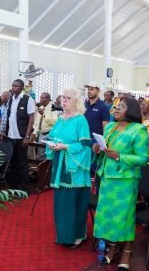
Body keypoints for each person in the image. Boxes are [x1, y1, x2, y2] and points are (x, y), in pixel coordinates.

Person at [92, 97, 149, 271]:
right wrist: (98, 150)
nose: (116, 110)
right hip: (107, 178)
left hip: (125, 181)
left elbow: (143, 158)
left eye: (121, 107)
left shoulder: (138, 130)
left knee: (123, 219)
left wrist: (119, 156)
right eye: (116, 107)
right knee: (108, 217)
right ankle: (113, 248)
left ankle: (127, 252)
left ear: (130, 111)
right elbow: (105, 151)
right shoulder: (110, 127)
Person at [45, 87, 91, 248]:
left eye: (68, 98)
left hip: (74, 169)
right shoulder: (60, 119)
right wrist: (51, 144)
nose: (64, 101)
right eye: (63, 97)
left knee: (72, 202)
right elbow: (51, 136)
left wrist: (65, 147)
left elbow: (86, 145)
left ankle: (77, 236)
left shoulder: (80, 120)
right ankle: (63, 235)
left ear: (77, 102)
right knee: (61, 202)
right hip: (59, 165)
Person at [4, 79, 35, 192]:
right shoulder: (11, 99)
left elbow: (31, 118)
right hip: (11, 136)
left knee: (22, 163)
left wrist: (27, 136)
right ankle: (14, 186)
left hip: (22, 137)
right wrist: (5, 132)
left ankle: (25, 187)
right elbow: (9, 117)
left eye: (16, 86)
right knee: (13, 162)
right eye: (12, 85)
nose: (13, 88)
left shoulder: (28, 99)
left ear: (22, 88)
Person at [31, 92, 58, 160]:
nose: (40, 99)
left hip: (49, 134)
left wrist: (44, 114)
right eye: (40, 97)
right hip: (40, 134)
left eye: (42, 98)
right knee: (39, 154)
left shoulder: (53, 107)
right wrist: (34, 132)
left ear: (48, 99)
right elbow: (37, 122)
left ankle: (47, 169)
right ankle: (41, 169)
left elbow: (54, 123)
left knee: (48, 154)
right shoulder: (41, 108)